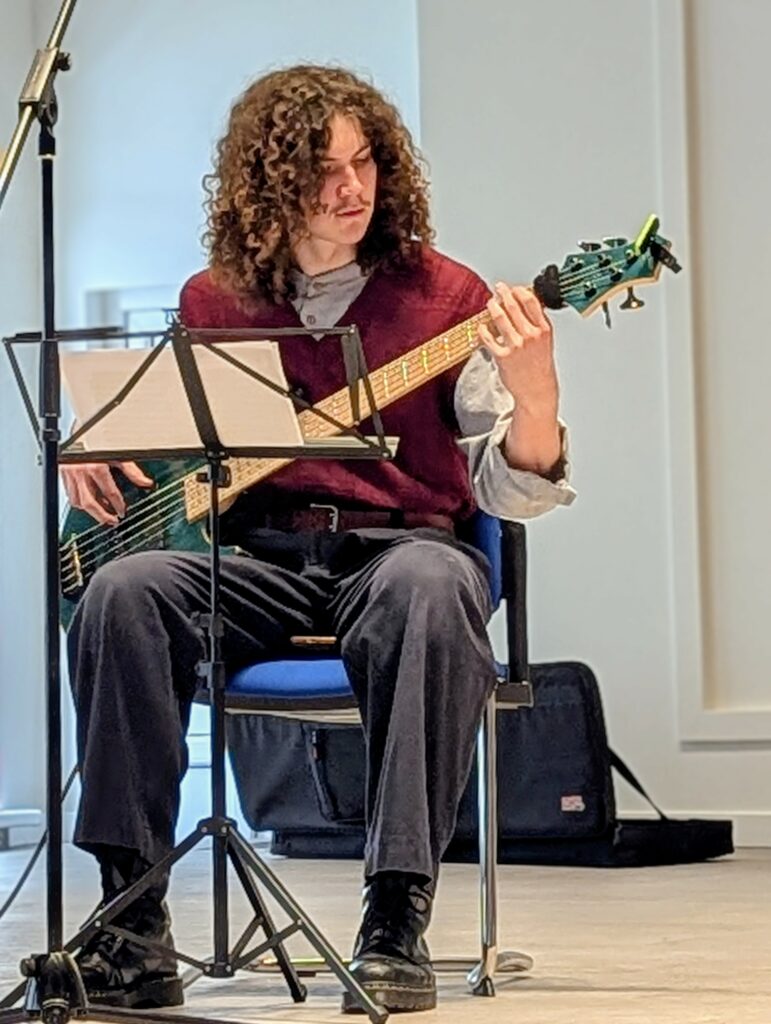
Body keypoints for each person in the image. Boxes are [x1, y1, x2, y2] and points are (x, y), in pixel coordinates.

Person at [62, 64, 575, 1014]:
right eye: (323, 170)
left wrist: (535, 394)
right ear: (269, 185)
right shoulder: (213, 301)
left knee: (430, 587)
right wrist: (93, 448)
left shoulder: (447, 297)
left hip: (400, 552)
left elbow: (515, 489)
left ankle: (394, 919)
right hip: (257, 560)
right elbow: (174, 447)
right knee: (123, 591)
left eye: (365, 162)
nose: (352, 188)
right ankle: (132, 925)